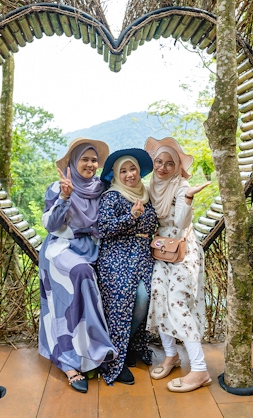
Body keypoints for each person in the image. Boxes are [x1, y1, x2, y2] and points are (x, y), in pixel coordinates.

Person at [37, 138, 117, 394]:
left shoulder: (102, 188)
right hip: (61, 248)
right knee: (80, 274)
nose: (90, 164)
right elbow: (50, 225)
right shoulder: (58, 187)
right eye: (85, 159)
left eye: (94, 160)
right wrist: (64, 197)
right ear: (73, 161)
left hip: (92, 248)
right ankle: (71, 361)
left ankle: (97, 352)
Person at [144, 137, 212, 393]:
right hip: (162, 248)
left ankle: (199, 368)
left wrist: (189, 199)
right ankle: (171, 355)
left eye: (169, 163)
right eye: (158, 162)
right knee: (158, 297)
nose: (162, 168)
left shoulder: (181, 185)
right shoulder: (152, 185)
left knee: (177, 301)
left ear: (177, 167)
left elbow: (183, 223)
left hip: (183, 249)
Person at [96, 149, 157, 386]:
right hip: (116, 256)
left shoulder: (147, 194)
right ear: (115, 174)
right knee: (129, 299)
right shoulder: (111, 197)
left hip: (143, 255)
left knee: (149, 296)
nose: (129, 174)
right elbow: (103, 229)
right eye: (123, 170)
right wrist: (130, 217)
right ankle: (113, 357)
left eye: (132, 169)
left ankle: (126, 345)